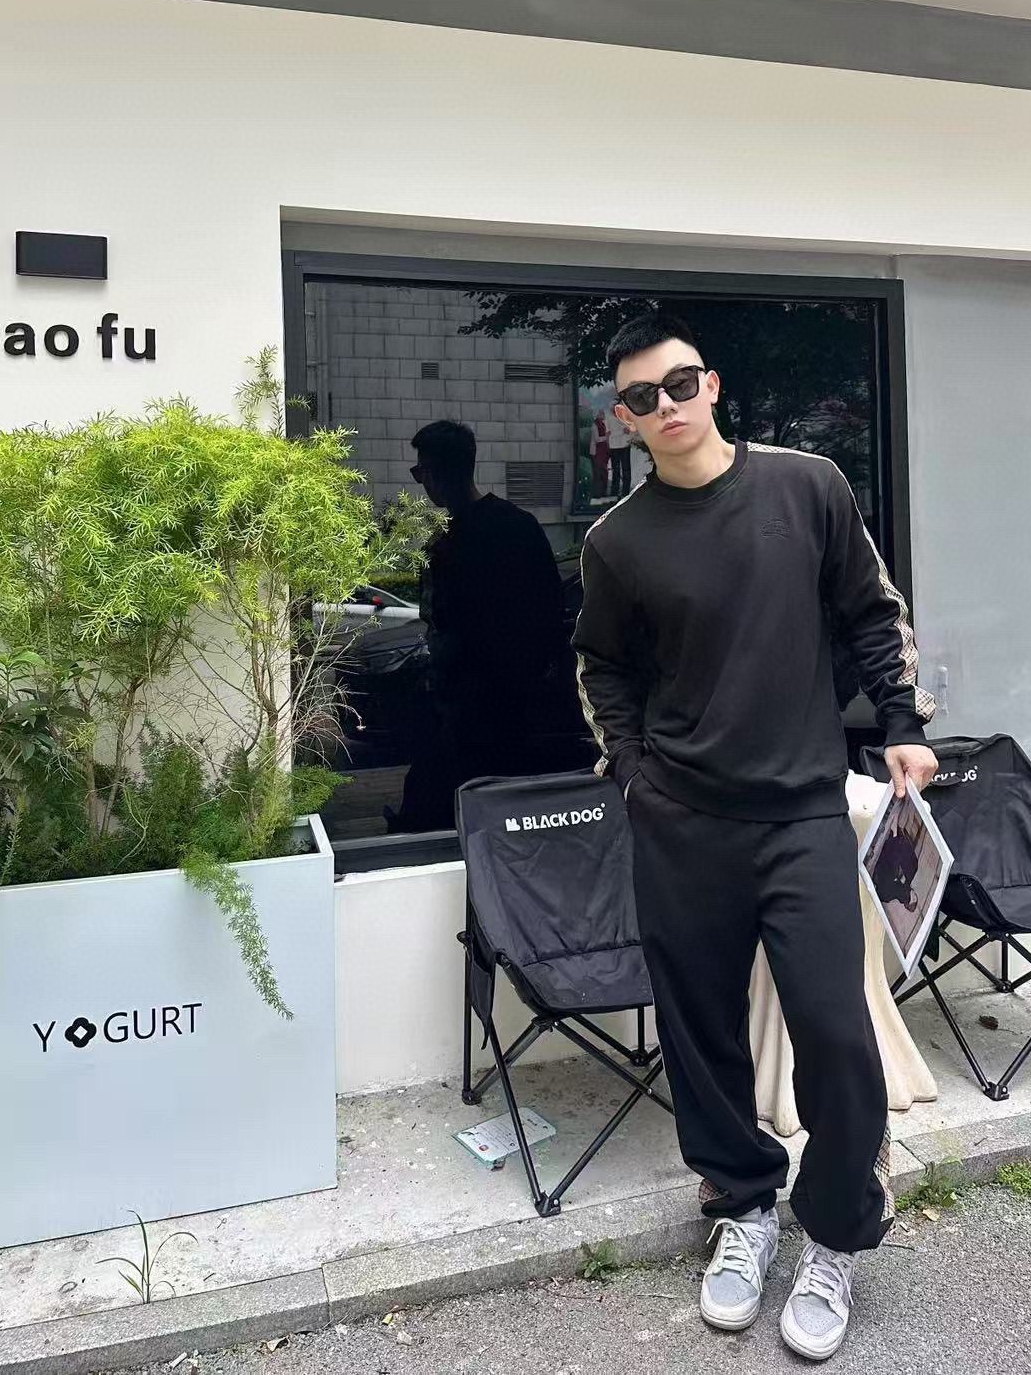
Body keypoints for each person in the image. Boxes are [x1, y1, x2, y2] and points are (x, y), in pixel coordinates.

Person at [572, 314, 937, 1363]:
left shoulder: (806, 486)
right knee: (699, 1034)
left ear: (713, 385)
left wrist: (901, 724)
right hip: (683, 822)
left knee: (835, 1031)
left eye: (679, 383)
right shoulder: (616, 542)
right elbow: (601, 670)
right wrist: (633, 777)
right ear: (624, 420)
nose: (665, 406)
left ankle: (835, 1232)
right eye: (641, 398)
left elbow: (870, 613)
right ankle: (740, 1205)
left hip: (801, 814)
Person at [390, 419, 571, 833]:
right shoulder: (518, 525)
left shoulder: (449, 542)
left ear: (435, 473)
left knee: (435, 801)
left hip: (472, 704)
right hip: (517, 704)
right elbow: (551, 611)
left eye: (420, 473)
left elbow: (439, 621)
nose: (421, 483)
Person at [607, 408, 634, 499]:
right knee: (616, 470)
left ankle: (625, 492)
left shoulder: (625, 417)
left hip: (625, 445)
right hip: (614, 447)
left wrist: (628, 432)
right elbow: (608, 433)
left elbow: (631, 429)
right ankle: (614, 492)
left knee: (626, 469)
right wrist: (621, 431)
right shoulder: (609, 419)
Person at [588, 408, 611, 500]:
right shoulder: (594, 425)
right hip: (596, 453)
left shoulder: (603, 424)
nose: (603, 415)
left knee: (603, 473)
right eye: (601, 413)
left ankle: (603, 492)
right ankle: (597, 493)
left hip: (603, 452)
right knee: (597, 473)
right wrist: (606, 437)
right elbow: (597, 439)